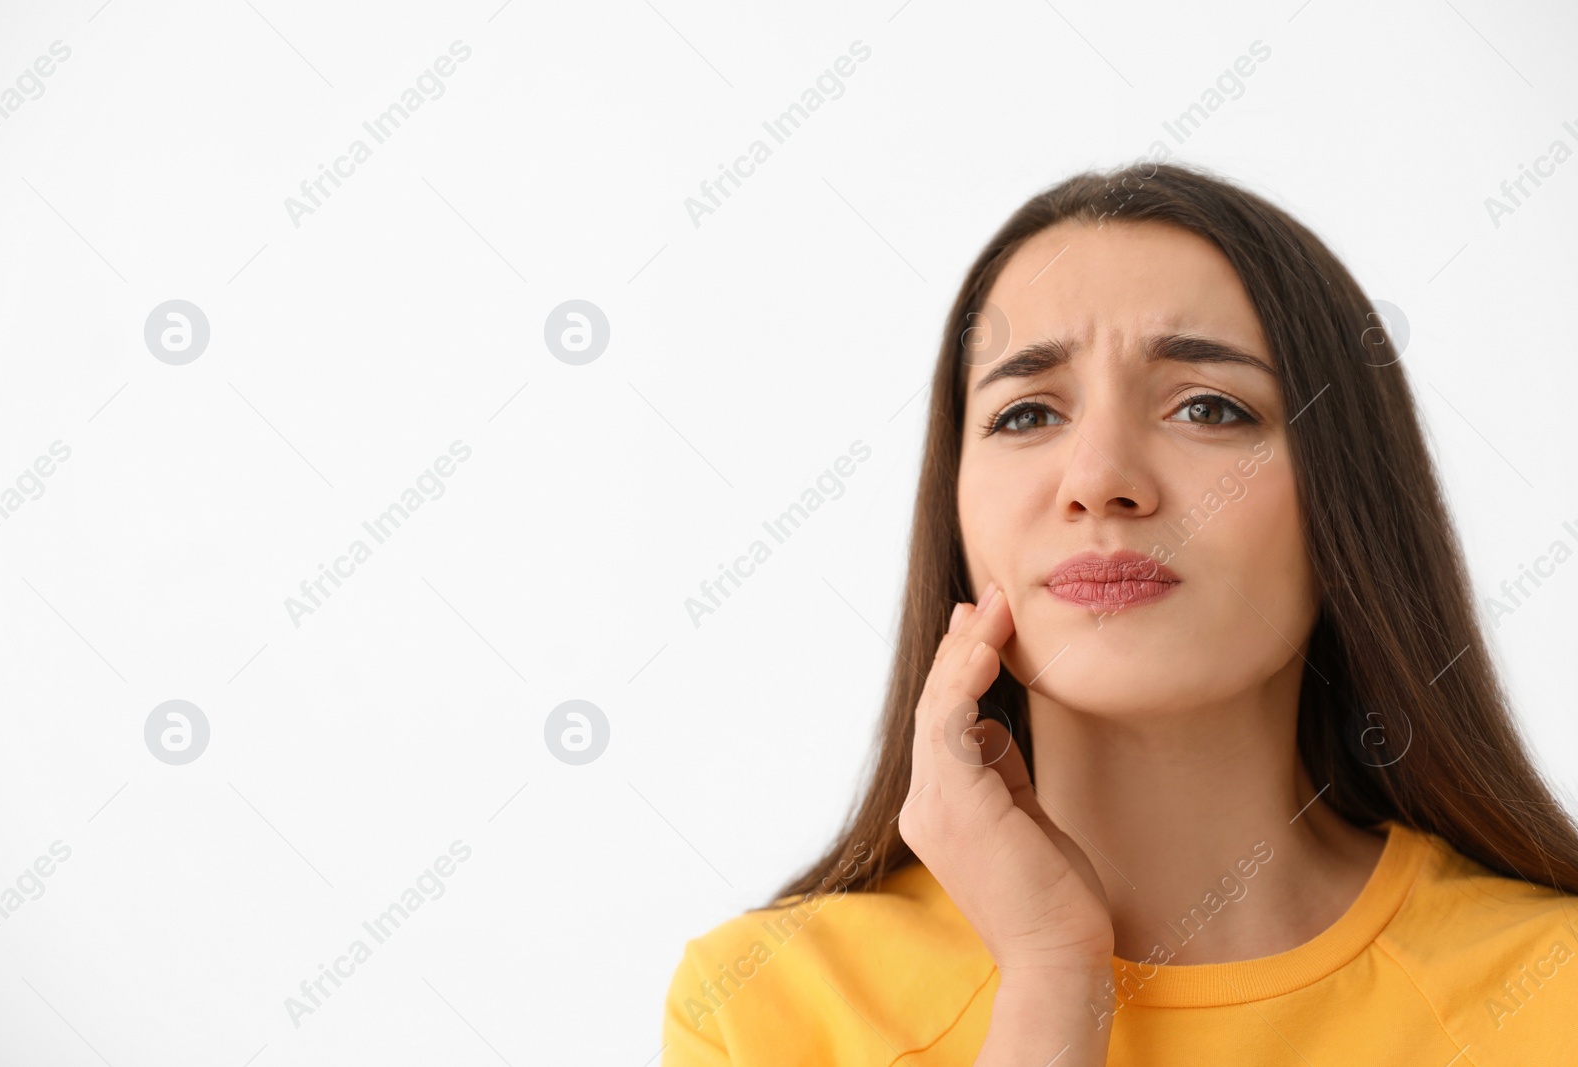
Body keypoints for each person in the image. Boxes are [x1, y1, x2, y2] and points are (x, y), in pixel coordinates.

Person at [659, 161, 1578, 1065]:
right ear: (957, 509)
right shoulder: (765, 1011)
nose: (1099, 480)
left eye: (1208, 407)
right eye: (1026, 414)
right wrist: (1052, 982)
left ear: (1347, 498)